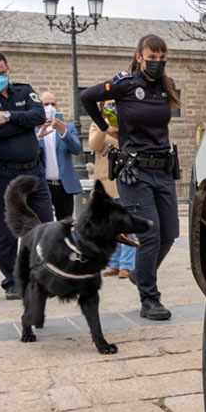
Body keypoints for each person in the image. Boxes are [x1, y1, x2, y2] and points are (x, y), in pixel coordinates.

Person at [81, 34, 182, 320]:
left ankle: (141, 273)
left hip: (162, 169)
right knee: (150, 234)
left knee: (170, 233)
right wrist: (104, 127)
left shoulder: (167, 86)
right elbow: (87, 97)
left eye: (162, 59)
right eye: (152, 58)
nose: (157, 64)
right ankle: (150, 299)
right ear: (139, 57)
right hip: (133, 171)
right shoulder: (125, 84)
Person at [0, 50, 53, 300]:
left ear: (9, 69)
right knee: (6, 230)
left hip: (34, 171)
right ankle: (13, 280)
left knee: (45, 225)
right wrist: (23, 122)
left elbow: (39, 116)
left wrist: (6, 116)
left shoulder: (25, 90)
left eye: (2, 73)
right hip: (4, 175)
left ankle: (41, 275)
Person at [88, 99, 135, 279]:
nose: (111, 107)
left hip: (124, 181)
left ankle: (127, 265)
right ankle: (113, 263)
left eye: (114, 104)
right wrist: (105, 124)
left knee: (126, 225)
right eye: (107, 104)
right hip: (105, 182)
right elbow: (94, 145)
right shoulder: (96, 125)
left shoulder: (128, 122)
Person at [37, 91, 83, 220]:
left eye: (53, 104)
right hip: (43, 185)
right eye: (46, 104)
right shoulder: (33, 129)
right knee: (43, 223)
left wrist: (64, 132)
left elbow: (77, 149)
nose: (50, 107)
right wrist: (39, 136)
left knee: (66, 223)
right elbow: (28, 152)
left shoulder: (68, 127)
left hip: (63, 186)